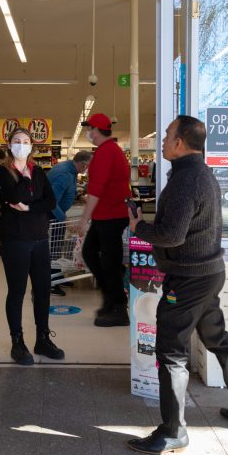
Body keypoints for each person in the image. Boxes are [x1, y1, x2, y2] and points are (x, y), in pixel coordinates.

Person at [125, 115, 228, 455]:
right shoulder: (202, 173)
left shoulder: (185, 181)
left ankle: (172, 431)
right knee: (216, 338)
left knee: (171, 351)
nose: (163, 141)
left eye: (166, 135)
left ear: (180, 142)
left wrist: (138, 227)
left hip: (188, 277)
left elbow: (171, 234)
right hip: (209, 272)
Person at [0, 127, 63, 365]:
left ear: (32, 146)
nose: (21, 145)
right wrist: (23, 178)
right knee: (17, 292)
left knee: (43, 290)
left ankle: (42, 338)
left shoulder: (40, 172)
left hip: (40, 240)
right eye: (16, 141)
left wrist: (30, 207)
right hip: (15, 241)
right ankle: (17, 342)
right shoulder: (2, 172)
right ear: (9, 145)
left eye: (25, 141)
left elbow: (51, 201)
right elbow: (14, 197)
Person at [75, 113, 131, 326]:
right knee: (92, 254)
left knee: (108, 262)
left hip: (110, 216)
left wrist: (83, 220)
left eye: (89, 129)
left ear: (96, 130)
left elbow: (96, 191)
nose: (88, 132)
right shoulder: (110, 151)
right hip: (108, 215)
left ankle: (117, 307)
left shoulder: (106, 153)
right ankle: (110, 297)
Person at [47, 150, 91, 296]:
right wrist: (65, 221)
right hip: (51, 216)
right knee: (53, 249)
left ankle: (57, 277)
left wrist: (78, 196)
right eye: (89, 166)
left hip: (56, 215)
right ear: (84, 165)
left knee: (57, 248)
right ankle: (51, 282)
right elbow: (52, 202)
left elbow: (65, 191)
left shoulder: (68, 169)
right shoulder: (64, 174)